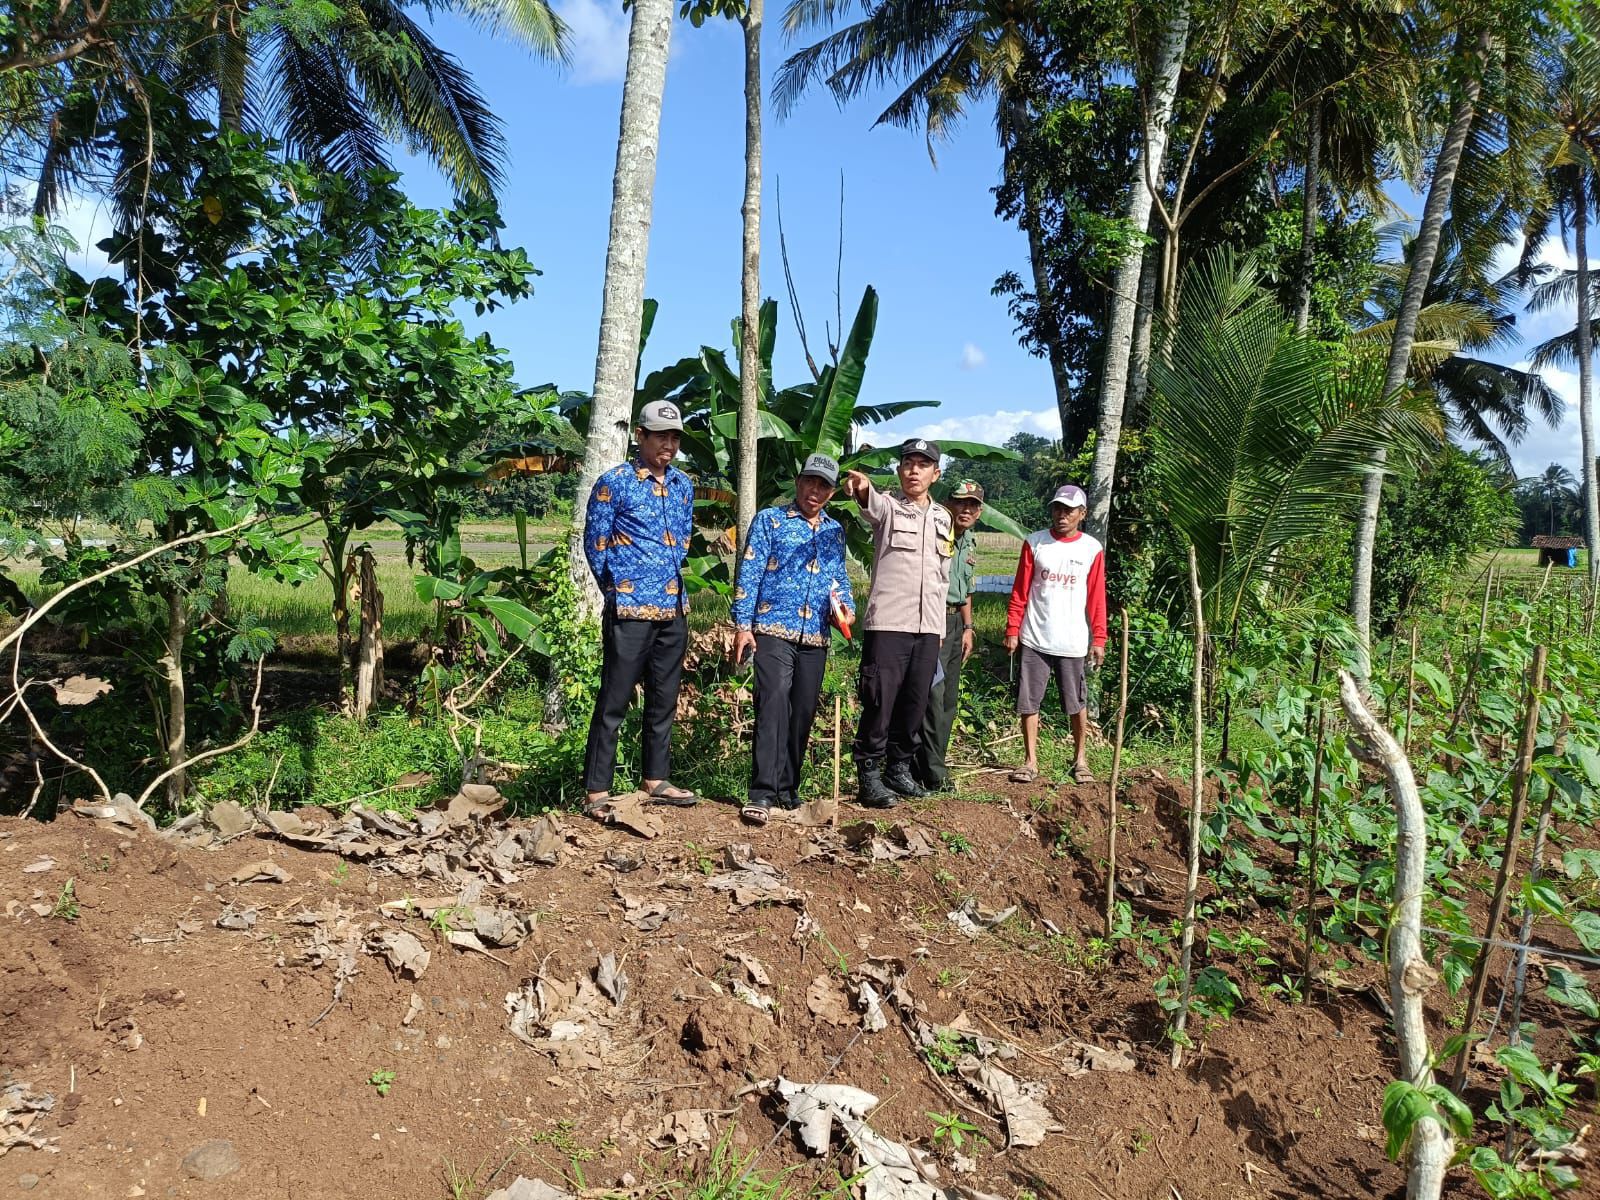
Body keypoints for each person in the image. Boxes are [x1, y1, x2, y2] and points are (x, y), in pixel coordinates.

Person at [581, 400, 699, 815]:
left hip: (673, 607)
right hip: (629, 609)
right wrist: (617, 590)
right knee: (614, 699)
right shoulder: (614, 482)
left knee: (664, 698)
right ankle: (597, 790)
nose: (669, 444)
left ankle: (656, 778)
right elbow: (595, 545)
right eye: (661, 436)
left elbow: (683, 538)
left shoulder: (684, 486)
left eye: (675, 438)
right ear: (641, 436)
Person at [730, 454, 855, 825]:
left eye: (824, 486)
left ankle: (787, 790)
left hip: (815, 636)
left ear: (831, 493)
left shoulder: (834, 531)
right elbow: (749, 572)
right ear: (798, 482)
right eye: (810, 482)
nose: (815, 491)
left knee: (802, 711)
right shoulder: (770, 521)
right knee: (773, 702)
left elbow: (839, 581)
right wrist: (742, 625)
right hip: (772, 628)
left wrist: (846, 609)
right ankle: (762, 792)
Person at [841, 437, 953, 808]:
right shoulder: (888, 508)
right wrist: (861, 488)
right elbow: (869, 502)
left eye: (922, 465)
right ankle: (869, 775)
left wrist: (938, 629)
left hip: (928, 627)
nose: (914, 470)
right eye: (908, 464)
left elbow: (942, 576)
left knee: (914, 701)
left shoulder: (943, 518)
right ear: (899, 470)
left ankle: (899, 769)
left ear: (935, 474)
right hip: (889, 623)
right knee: (880, 700)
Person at [1003, 483, 1107, 785]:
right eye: (1057, 508)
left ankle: (1080, 758)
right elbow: (1020, 590)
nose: (1062, 515)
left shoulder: (1091, 549)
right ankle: (1030, 760)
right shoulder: (1035, 543)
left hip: (1072, 641)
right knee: (1028, 701)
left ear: (1082, 514)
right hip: (1035, 637)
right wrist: (1013, 628)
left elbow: (1096, 597)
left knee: (1076, 702)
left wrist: (1098, 637)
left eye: (1069, 510)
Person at [917, 480, 984, 792]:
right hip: (935, 619)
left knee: (948, 699)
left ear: (979, 511)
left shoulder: (969, 541)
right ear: (949, 504)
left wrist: (969, 628)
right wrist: (935, 625)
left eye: (972, 505)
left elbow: (966, 589)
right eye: (960, 503)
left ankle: (936, 761)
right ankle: (932, 772)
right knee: (932, 693)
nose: (965, 509)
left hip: (957, 624)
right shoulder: (936, 533)